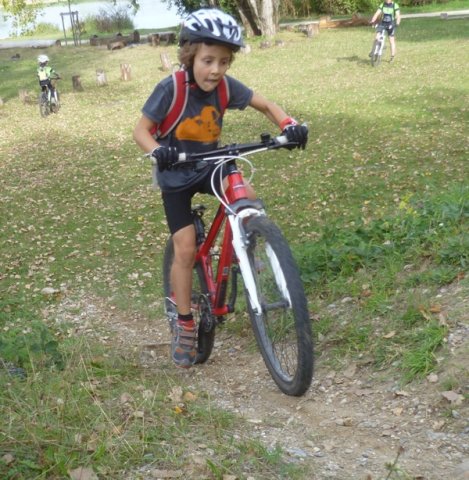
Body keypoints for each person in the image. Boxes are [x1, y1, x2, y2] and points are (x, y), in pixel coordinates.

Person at [133, 8, 308, 368]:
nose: (216, 69)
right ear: (189, 56)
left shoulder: (227, 87)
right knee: (185, 248)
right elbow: (141, 131)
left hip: (214, 164)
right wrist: (158, 152)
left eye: (224, 61)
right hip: (177, 173)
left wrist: (288, 124)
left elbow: (266, 105)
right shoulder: (171, 89)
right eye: (208, 60)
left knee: (250, 202)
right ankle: (183, 323)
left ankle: (252, 249)